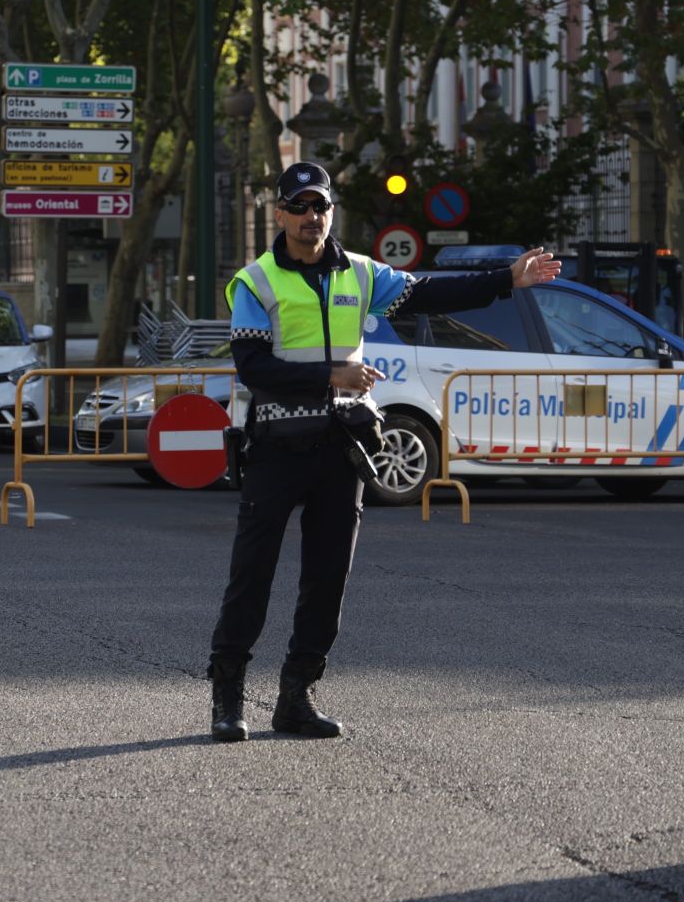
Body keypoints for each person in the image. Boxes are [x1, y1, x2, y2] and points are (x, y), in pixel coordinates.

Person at [206, 161, 560, 742]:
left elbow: (429, 293)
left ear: (331, 213)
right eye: (298, 207)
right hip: (276, 447)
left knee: (327, 579)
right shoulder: (257, 281)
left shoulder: (362, 274)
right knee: (252, 576)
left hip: (341, 447)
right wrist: (333, 375)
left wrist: (506, 279)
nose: (309, 218)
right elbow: (252, 367)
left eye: (319, 206)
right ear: (279, 214)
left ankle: (296, 697)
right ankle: (228, 700)